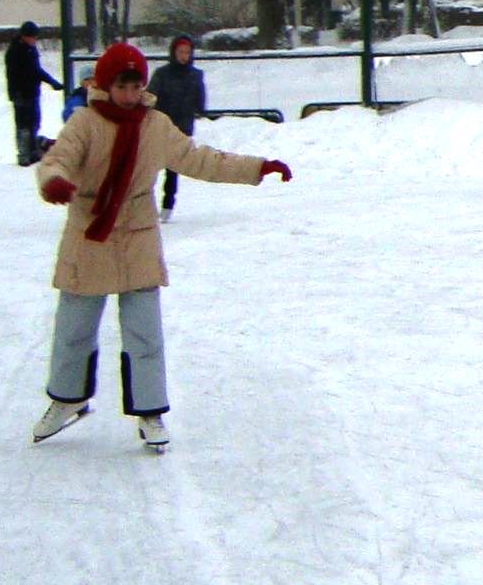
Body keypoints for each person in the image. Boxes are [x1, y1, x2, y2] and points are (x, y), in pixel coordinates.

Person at [30, 42, 291, 453]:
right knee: (73, 330)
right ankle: (67, 399)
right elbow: (57, 159)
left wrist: (257, 167)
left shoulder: (155, 126)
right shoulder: (84, 122)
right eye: (122, 86)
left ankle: (150, 411)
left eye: (137, 86)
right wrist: (54, 182)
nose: (131, 95)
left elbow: (201, 159)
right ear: (105, 84)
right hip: (89, 234)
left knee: (145, 333)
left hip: (137, 235)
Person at [147, 35, 207, 220]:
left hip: (182, 127)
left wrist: (198, 108)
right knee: (149, 166)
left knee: (173, 168)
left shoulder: (195, 76)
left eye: (187, 52)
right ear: (173, 52)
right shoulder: (162, 74)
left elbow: (200, 102)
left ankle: (167, 206)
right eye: (180, 52)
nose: (184, 56)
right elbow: (151, 97)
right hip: (161, 125)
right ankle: (142, 204)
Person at [4, 19, 63, 166]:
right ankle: (24, 154)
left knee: (34, 123)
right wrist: (16, 93)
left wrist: (51, 81)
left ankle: (33, 151)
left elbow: (36, 70)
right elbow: (16, 74)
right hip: (21, 93)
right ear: (25, 36)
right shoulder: (15, 51)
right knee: (23, 125)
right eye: (33, 37)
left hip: (32, 92)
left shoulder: (31, 50)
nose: (35, 40)